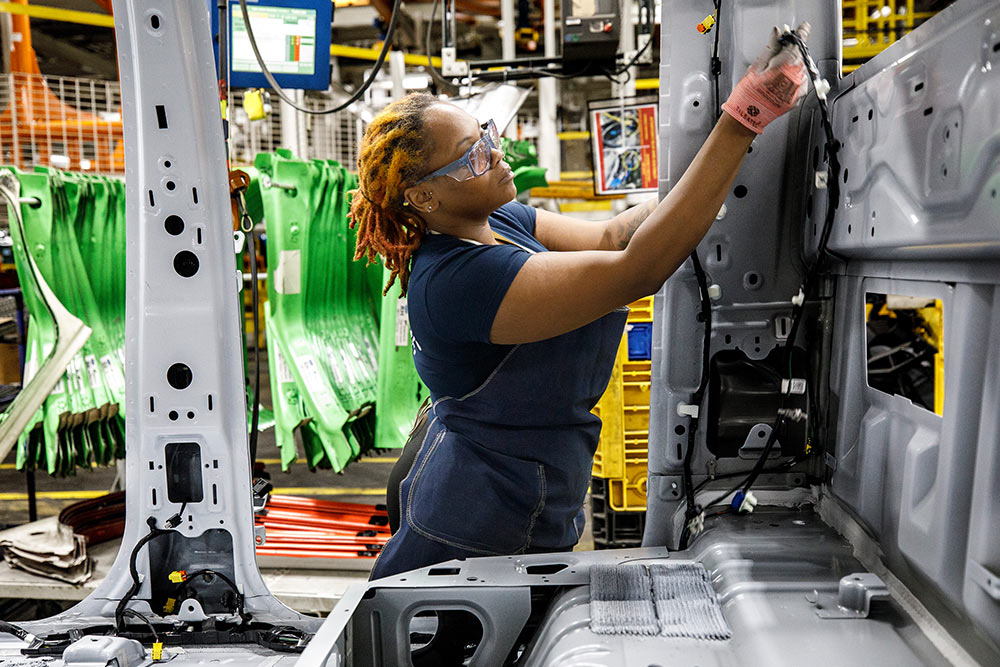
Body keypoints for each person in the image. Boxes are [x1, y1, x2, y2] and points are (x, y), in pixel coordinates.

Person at [350, 23, 811, 581]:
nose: (498, 155)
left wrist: (701, 192)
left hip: (525, 485)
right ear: (424, 196)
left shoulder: (494, 220)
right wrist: (744, 119)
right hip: (476, 518)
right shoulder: (456, 280)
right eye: (473, 156)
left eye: (489, 135)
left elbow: (613, 238)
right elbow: (635, 270)